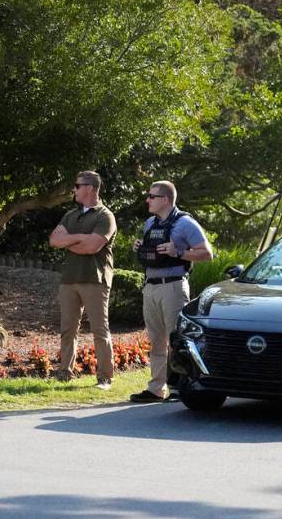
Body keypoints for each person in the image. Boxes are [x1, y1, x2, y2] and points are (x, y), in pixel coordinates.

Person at [130, 181, 213, 403]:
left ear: (165, 199)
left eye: (151, 196)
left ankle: (181, 386)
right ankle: (157, 389)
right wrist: (140, 247)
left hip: (173, 286)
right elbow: (151, 252)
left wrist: (179, 252)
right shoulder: (149, 223)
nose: (147, 200)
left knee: (177, 340)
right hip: (151, 286)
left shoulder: (186, 223)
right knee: (155, 340)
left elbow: (207, 254)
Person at [48, 171, 117, 389]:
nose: (74, 190)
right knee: (68, 328)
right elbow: (53, 240)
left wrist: (68, 240)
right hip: (69, 279)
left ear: (89, 188)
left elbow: (92, 246)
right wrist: (79, 238)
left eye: (77, 186)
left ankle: (105, 377)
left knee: (99, 329)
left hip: (95, 279)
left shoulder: (105, 216)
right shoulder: (70, 215)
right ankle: (64, 373)